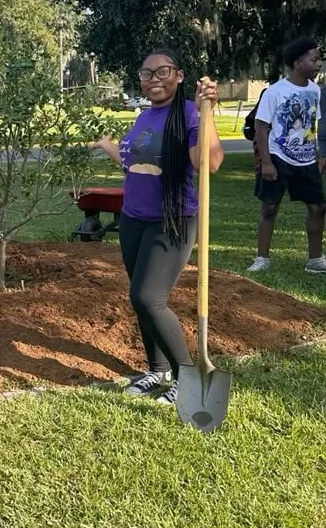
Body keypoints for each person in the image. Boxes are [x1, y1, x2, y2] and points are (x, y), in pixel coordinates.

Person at [93, 49, 223, 405]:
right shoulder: (142, 119)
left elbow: (208, 163)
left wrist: (205, 113)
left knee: (148, 297)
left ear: (179, 76)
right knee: (140, 300)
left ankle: (187, 375)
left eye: (162, 71)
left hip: (173, 220)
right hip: (133, 219)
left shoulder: (188, 114)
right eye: (146, 74)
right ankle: (158, 369)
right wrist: (108, 147)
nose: (154, 79)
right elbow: (136, 165)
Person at [247, 37, 326, 274]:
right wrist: (267, 162)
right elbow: (261, 127)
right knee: (269, 208)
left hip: (307, 160)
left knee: (318, 208)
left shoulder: (314, 90)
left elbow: (312, 124)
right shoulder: (275, 92)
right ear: (297, 62)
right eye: (314, 59)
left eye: (319, 59)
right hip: (278, 157)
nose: (319, 64)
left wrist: (318, 154)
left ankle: (315, 260)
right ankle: (262, 258)